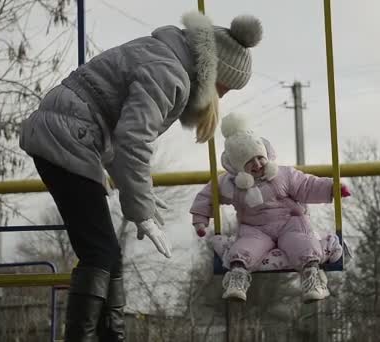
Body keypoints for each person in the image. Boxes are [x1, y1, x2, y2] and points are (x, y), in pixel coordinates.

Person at [19, 11, 263, 341]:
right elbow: (132, 139)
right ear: (214, 71)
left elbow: (119, 136)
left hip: (71, 134)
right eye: (226, 86)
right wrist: (142, 211)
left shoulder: (167, 55)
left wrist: (141, 192)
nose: (223, 96)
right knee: (99, 253)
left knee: (109, 257)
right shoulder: (169, 73)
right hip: (66, 136)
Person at [190, 113, 351, 303]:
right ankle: (238, 279)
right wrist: (200, 220)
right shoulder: (230, 184)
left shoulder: (283, 175)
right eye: (249, 162)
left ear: (266, 154)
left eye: (260, 158)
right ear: (238, 166)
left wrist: (332, 189)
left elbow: (307, 186)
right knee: (243, 249)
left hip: (289, 223)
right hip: (255, 229)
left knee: (303, 244)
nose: (257, 165)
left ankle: (312, 279)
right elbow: (208, 196)